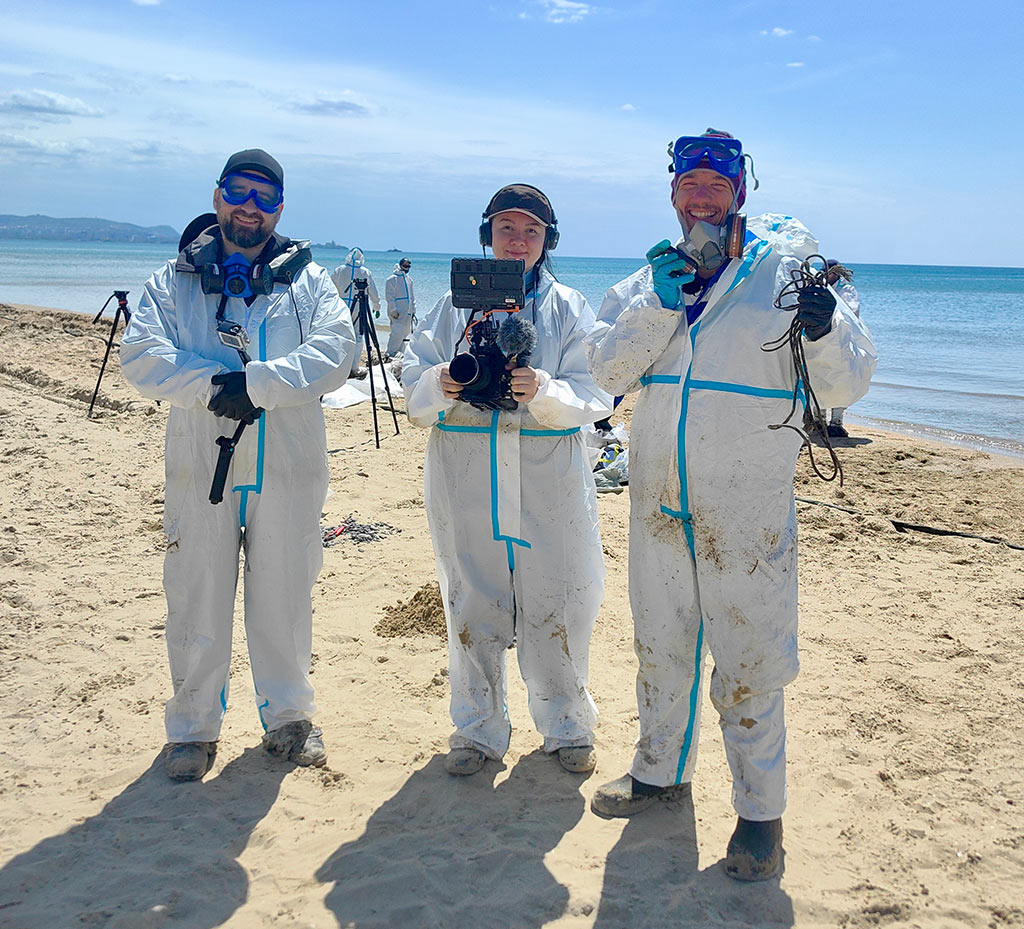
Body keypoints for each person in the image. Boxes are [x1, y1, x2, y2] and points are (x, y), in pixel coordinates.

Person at [584, 130, 877, 880]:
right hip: (657, 501)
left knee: (751, 661)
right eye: (691, 182)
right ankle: (658, 771)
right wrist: (659, 299)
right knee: (660, 642)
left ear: (741, 190)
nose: (704, 194)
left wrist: (824, 326)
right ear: (674, 193)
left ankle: (760, 817)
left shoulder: (790, 271)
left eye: (718, 182)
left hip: (745, 509)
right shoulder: (648, 277)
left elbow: (847, 385)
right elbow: (606, 370)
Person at [120, 149, 356, 782]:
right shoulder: (173, 280)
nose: (250, 207)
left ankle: (288, 718)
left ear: (280, 209)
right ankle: (192, 729)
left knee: (285, 592)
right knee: (195, 590)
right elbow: (141, 355)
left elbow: (337, 353)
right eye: (239, 191)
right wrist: (211, 386)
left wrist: (257, 384)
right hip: (201, 459)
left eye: (266, 197)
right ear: (218, 196)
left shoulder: (306, 280)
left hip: (289, 457)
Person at [402, 184, 613, 777]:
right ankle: (476, 730)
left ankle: (567, 724)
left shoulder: (568, 307)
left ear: (547, 242)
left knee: (562, 598)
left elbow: (597, 393)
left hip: (549, 478)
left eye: (531, 232)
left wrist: (544, 391)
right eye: (506, 230)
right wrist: (438, 383)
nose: (517, 242)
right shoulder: (452, 306)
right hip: (466, 473)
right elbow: (410, 373)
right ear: (486, 236)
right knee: (472, 599)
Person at [823, 259, 863, 438]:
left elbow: (850, 311)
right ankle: (819, 420)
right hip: (823, 337)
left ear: (836, 274)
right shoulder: (822, 285)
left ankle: (836, 422)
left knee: (841, 378)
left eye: (828, 272)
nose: (825, 274)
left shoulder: (847, 291)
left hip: (842, 340)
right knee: (820, 375)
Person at [331, 248, 380, 377]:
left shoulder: (339, 270)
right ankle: (354, 367)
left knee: (341, 336)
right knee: (358, 337)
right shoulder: (365, 272)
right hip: (359, 307)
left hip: (341, 307)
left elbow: (330, 288)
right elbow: (373, 290)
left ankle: (339, 366)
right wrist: (377, 305)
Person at [384, 257, 417, 358]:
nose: (407, 268)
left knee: (405, 333)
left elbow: (412, 296)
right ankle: (390, 353)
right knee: (396, 333)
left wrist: (413, 309)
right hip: (398, 311)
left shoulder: (409, 280)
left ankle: (399, 353)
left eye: (408, 266)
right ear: (400, 265)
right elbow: (389, 296)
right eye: (405, 265)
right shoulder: (392, 279)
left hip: (408, 312)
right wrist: (393, 309)